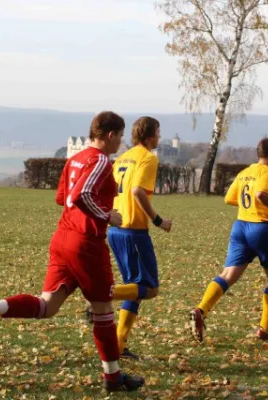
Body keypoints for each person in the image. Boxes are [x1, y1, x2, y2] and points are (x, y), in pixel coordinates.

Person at [0, 111, 145, 393]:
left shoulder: (75, 159)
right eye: (120, 136)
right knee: (104, 312)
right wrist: (107, 215)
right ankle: (113, 378)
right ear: (110, 135)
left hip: (63, 238)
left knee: (47, 306)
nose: (121, 142)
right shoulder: (99, 160)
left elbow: (62, 197)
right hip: (86, 243)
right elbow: (79, 196)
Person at [189, 137, 268, 344]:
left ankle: (201, 310)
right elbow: (261, 193)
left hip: (241, 226)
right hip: (262, 227)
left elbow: (229, 198)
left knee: (228, 274)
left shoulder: (245, 172)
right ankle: (265, 329)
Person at [107, 116, 172, 360]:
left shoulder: (122, 158)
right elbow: (136, 191)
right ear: (148, 136)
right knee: (150, 289)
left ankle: (118, 345)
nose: (159, 137)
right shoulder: (147, 158)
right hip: (134, 231)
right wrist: (158, 220)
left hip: (115, 229)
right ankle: (103, 296)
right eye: (158, 132)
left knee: (133, 289)